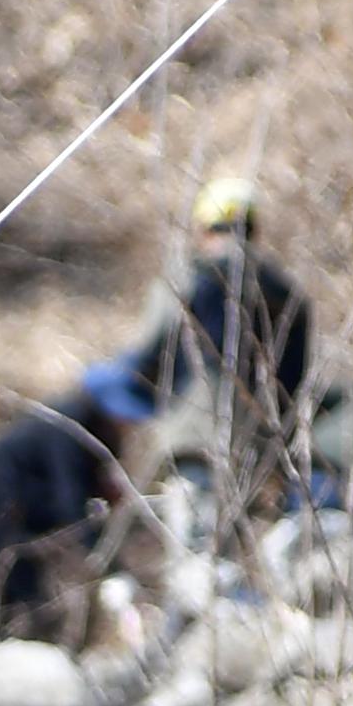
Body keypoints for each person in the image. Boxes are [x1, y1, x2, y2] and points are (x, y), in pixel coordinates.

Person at [125, 176, 314, 519]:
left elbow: (147, 357)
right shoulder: (286, 296)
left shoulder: (181, 282)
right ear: (253, 229)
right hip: (258, 444)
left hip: (193, 436)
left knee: (195, 554)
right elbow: (294, 381)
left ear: (205, 229)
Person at [0, 362, 148, 642]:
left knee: (25, 596)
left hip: (18, 514)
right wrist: (109, 565)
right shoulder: (65, 430)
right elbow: (68, 504)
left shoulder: (96, 435)